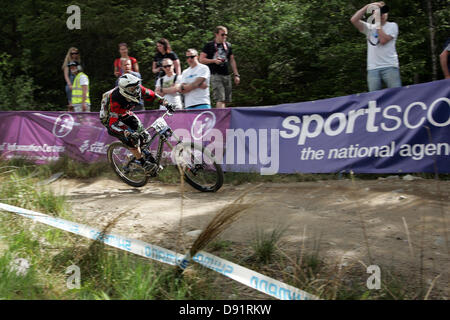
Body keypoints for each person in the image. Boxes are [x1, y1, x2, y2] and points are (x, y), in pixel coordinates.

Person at [100, 73, 175, 174]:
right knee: (132, 139)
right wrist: (128, 133)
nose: (135, 90)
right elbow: (114, 123)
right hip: (111, 119)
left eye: (136, 87)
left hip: (125, 113)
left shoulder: (138, 88)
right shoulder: (116, 99)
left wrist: (166, 103)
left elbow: (152, 95)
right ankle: (143, 163)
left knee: (145, 136)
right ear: (124, 90)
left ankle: (135, 156)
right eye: (132, 89)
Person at [351, 2, 402, 91]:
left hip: (390, 66)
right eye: (379, 12)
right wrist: (367, 7)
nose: (382, 15)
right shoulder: (369, 27)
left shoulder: (393, 26)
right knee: (374, 99)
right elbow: (354, 20)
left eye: (384, 12)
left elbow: (383, 41)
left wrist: (378, 23)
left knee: (396, 94)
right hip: (373, 68)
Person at [199, 26, 240, 108]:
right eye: (222, 34)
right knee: (220, 98)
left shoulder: (228, 45)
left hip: (226, 74)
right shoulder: (209, 45)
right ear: (216, 34)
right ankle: (220, 119)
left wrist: (236, 75)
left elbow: (232, 60)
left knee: (227, 100)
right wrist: (213, 61)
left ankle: (223, 118)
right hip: (215, 74)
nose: (224, 36)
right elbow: (201, 59)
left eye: (226, 35)